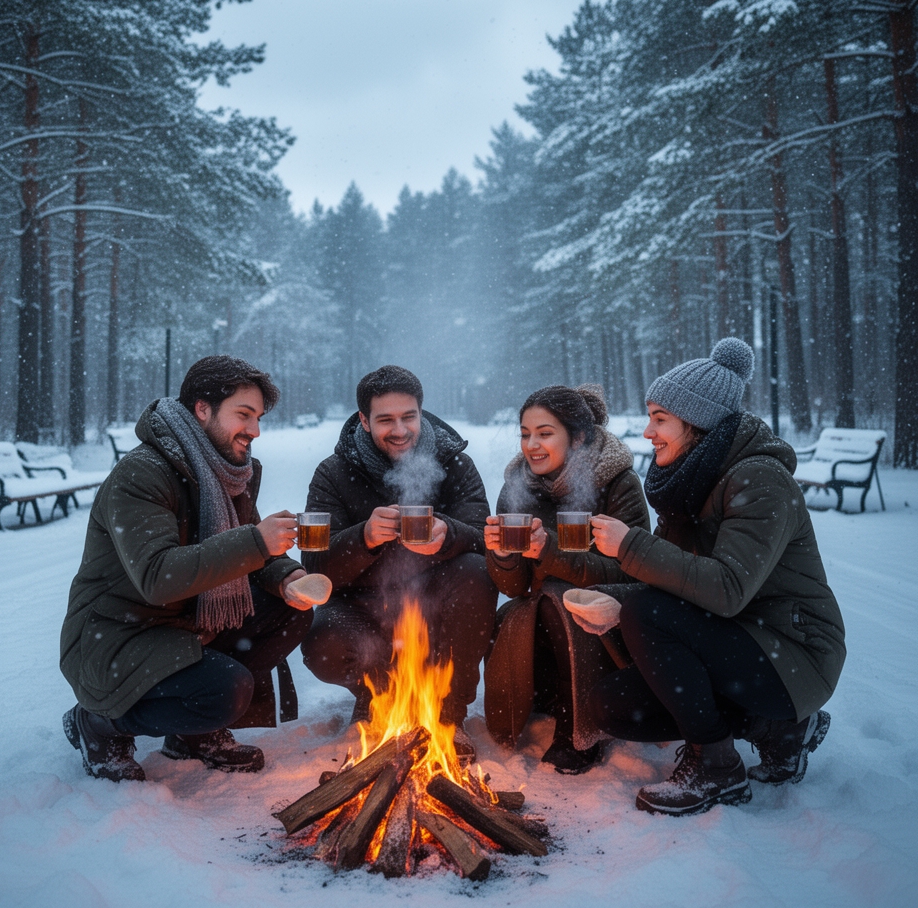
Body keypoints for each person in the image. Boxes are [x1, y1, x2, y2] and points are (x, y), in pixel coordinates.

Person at [587, 338, 846, 815]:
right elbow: (674, 583)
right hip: (742, 638)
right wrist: (608, 597)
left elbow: (726, 589)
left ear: (697, 423)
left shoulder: (759, 480)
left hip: (795, 651)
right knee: (612, 704)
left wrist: (629, 547)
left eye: (660, 418)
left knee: (647, 612)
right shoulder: (690, 481)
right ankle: (779, 730)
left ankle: (717, 768)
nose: (648, 432)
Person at [59, 356, 316, 782]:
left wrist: (286, 576)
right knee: (226, 690)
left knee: (291, 609)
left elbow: (251, 546)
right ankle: (99, 723)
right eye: (243, 415)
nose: (254, 430)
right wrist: (255, 542)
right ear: (202, 409)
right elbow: (158, 577)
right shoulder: (143, 474)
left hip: (183, 623)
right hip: (118, 635)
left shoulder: (226, 471)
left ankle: (191, 734)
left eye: (258, 418)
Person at [299, 365, 497, 760]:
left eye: (409, 417)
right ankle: (380, 695)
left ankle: (447, 713)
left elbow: (484, 537)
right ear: (363, 420)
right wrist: (364, 538)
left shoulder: (454, 462)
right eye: (385, 419)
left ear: (421, 413)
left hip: (437, 606)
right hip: (364, 609)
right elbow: (314, 568)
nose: (400, 430)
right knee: (323, 640)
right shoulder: (334, 473)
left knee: (477, 573)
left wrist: (449, 534)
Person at [483, 385, 650, 773]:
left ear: (577, 438)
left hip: (606, 624)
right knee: (530, 607)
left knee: (563, 594)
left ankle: (579, 729)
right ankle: (544, 695)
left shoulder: (618, 483)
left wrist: (552, 553)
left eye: (545, 433)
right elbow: (514, 588)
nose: (532, 445)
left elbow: (633, 571)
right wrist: (503, 555)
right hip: (543, 620)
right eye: (525, 434)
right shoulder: (516, 487)